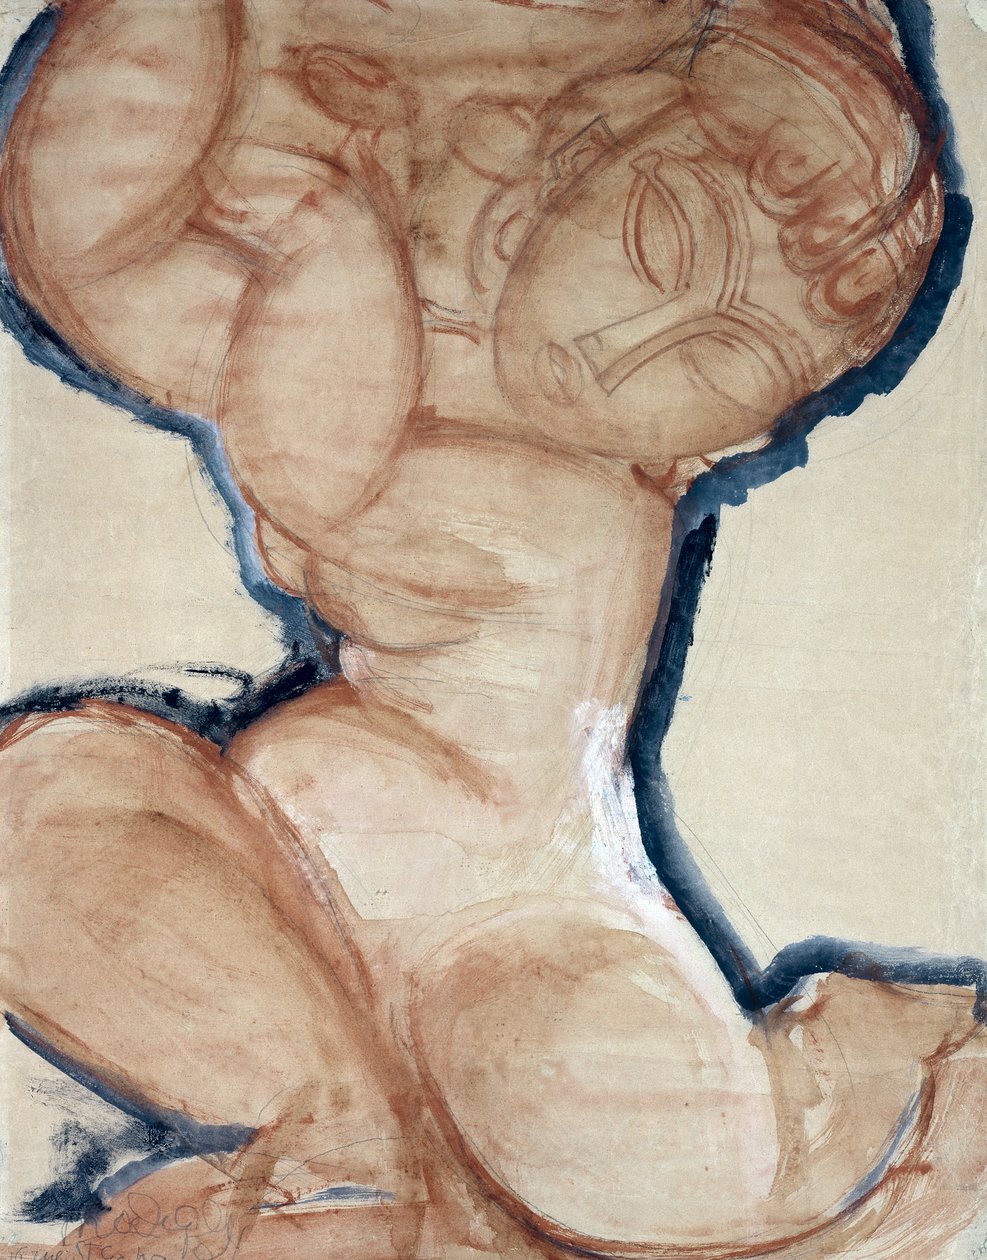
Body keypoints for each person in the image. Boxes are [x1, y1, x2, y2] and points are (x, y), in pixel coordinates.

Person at [0, 0, 984, 1255]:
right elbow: (90, 261)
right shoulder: (417, 346)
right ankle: (335, 1132)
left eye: (732, 361)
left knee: (578, 1104)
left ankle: (804, 1120)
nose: (644, 344)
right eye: (659, 235)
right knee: (41, 803)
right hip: (278, 869)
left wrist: (321, 233)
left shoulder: (582, 492)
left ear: (739, 435)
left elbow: (314, 474)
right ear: (565, 160)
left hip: (526, 924)